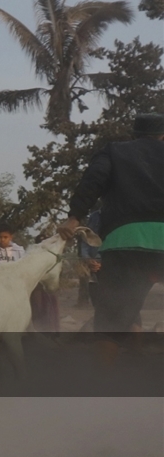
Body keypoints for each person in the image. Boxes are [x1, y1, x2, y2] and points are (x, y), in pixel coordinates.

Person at [58, 112, 164, 333]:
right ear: (162, 136)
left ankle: (110, 367)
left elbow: (92, 182)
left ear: (134, 134)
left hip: (124, 243)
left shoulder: (114, 151)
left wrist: (74, 217)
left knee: (112, 319)